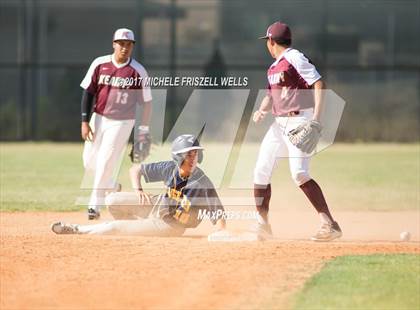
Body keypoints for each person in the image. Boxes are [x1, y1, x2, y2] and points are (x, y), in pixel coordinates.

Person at [252, 21, 342, 242]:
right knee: (260, 171)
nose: (268, 45)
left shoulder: (294, 57)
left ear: (272, 41)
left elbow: (318, 83)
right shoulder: (274, 66)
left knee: (299, 173)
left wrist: (316, 121)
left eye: (268, 41)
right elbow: (271, 93)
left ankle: (330, 225)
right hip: (279, 124)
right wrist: (262, 110)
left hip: (299, 120)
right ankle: (263, 225)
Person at [51, 134, 226, 236]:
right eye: (189, 154)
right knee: (111, 200)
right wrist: (139, 190)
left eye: (196, 154)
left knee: (115, 227)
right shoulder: (169, 168)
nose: (193, 158)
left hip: (170, 226)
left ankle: (77, 230)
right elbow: (136, 170)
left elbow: (218, 212)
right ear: (178, 157)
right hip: (155, 206)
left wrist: (221, 232)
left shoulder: (202, 183)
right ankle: (136, 230)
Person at [80, 28, 152, 220]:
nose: (124, 47)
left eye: (129, 44)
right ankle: (111, 186)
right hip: (99, 118)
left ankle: (94, 205)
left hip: (122, 122)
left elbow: (146, 103)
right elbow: (88, 92)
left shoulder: (138, 71)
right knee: (89, 161)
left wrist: (143, 132)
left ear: (132, 47)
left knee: (105, 160)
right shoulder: (99, 64)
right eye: (121, 43)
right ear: (114, 44)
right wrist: (85, 121)